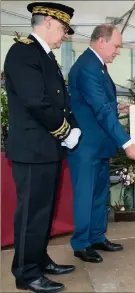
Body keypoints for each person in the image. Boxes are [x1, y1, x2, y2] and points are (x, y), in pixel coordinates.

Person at [3, 2, 81, 292]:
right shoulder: (23, 52)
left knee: (44, 211)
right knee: (31, 214)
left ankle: (39, 259)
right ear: (47, 21)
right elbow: (37, 101)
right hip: (33, 149)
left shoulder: (44, 56)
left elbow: (61, 99)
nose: (64, 36)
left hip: (46, 149)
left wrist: (73, 126)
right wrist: (64, 131)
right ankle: (25, 273)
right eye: (62, 29)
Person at [67, 24, 135, 263]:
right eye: (116, 46)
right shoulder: (87, 66)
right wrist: (127, 142)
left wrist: (116, 107)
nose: (118, 51)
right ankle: (81, 243)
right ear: (101, 41)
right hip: (86, 146)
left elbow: (98, 103)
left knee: (99, 194)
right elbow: (99, 109)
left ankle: (97, 236)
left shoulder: (97, 66)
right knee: (85, 194)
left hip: (98, 145)